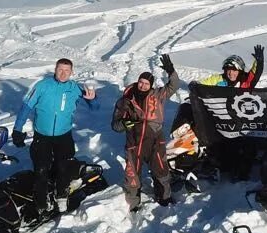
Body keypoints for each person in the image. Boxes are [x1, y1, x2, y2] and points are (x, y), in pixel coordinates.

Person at [14, 58, 97, 216]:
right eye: (60, 69)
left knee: (63, 167)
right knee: (41, 169)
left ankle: (61, 195)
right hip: (42, 136)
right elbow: (26, 107)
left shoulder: (75, 89)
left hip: (63, 136)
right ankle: (40, 203)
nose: (63, 73)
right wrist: (17, 129)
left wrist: (93, 99)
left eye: (67, 70)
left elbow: (95, 107)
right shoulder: (42, 86)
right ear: (55, 69)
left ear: (72, 72)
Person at [181, 45, 265, 180]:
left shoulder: (245, 82)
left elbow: (255, 74)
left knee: (245, 148)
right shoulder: (219, 79)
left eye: (234, 70)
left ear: (240, 71)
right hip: (221, 121)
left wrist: (259, 62)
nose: (231, 73)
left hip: (240, 122)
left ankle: (242, 172)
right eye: (228, 70)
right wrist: (194, 85)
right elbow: (202, 84)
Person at [114, 54, 180, 211]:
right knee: (132, 175)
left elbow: (174, 85)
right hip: (134, 143)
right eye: (141, 82)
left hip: (155, 141)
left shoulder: (157, 95)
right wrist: (125, 123)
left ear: (151, 85)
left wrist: (171, 70)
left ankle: (164, 197)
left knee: (161, 171)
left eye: (146, 84)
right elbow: (115, 125)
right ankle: (134, 203)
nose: (143, 86)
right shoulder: (126, 101)